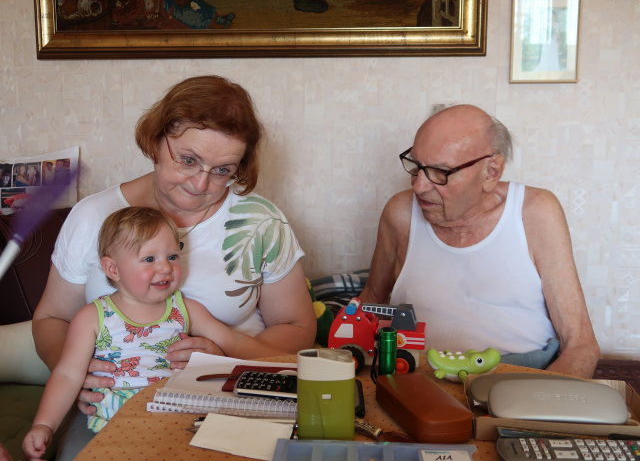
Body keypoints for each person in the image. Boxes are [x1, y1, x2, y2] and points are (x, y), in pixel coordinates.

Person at [32, 75, 316, 460]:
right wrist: (76, 372)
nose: (200, 184)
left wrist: (228, 357)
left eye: (223, 170)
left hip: (229, 396)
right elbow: (51, 318)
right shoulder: (93, 217)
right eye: (188, 160)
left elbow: (298, 329)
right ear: (155, 140)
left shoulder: (260, 223)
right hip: (113, 404)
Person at [359, 104, 599, 378]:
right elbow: (369, 307)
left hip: (519, 381)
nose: (419, 186)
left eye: (440, 172)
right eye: (416, 166)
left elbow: (581, 345)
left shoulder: (536, 213)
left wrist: (535, 407)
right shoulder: (400, 214)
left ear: (491, 171)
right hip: (417, 382)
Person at [24, 206, 254, 460]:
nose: (165, 267)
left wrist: (214, 356)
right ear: (113, 269)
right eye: (149, 259)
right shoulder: (93, 317)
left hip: (182, 417)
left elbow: (228, 349)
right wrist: (44, 425)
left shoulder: (185, 308)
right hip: (119, 423)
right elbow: (68, 374)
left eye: (173, 257)